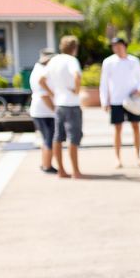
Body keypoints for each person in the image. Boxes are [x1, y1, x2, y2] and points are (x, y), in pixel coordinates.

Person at [100, 37, 140, 168]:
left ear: (124, 46)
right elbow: (104, 83)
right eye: (114, 46)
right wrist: (104, 100)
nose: (116, 48)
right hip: (116, 100)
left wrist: (139, 90)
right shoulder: (108, 62)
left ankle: (138, 156)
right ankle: (117, 158)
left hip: (132, 100)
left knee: (136, 127)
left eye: (118, 45)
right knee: (117, 129)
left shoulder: (134, 61)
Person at [41, 35, 83, 179]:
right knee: (73, 138)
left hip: (59, 104)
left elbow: (41, 80)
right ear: (74, 48)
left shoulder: (54, 60)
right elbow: (77, 76)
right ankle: (76, 171)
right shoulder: (72, 60)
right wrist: (77, 90)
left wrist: (53, 93)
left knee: (57, 137)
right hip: (72, 104)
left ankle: (61, 170)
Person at [28, 47, 57, 174]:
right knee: (48, 139)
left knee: (46, 138)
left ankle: (45, 163)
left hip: (39, 110)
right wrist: (55, 109)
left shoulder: (37, 69)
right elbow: (44, 95)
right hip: (44, 111)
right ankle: (47, 166)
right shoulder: (42, 72)